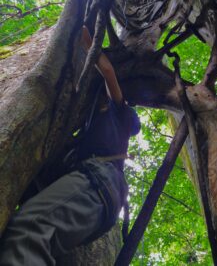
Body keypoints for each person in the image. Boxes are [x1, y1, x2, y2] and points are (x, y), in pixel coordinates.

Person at [0, 26, 140, 266]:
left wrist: (84, 35)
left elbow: (107, 71)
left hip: (97, 181)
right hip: (99, 198)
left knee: (27, 233)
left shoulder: (122, 116)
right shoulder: (92, 132)